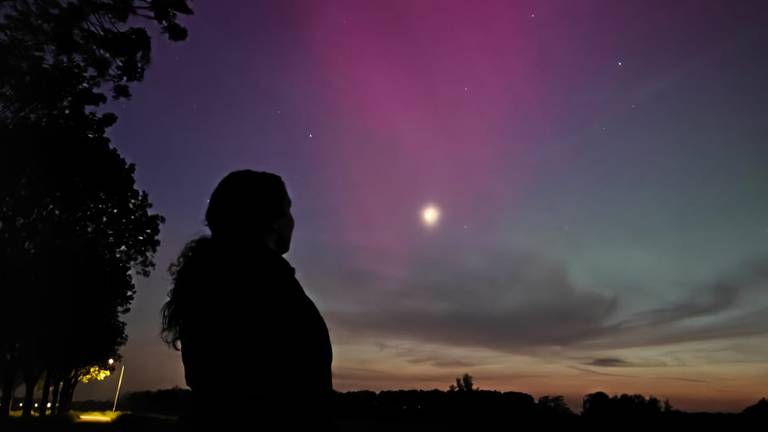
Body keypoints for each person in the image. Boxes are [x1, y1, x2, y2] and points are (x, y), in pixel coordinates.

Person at [161, 170, 333, 427]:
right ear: (273, 221)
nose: (292, 220)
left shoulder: (212, 279)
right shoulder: (266, 285)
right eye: (287, 210)